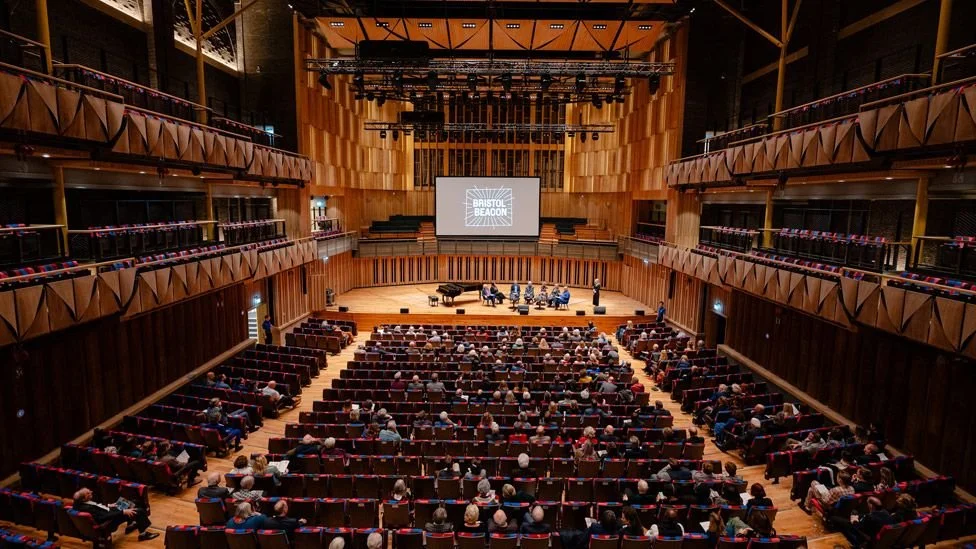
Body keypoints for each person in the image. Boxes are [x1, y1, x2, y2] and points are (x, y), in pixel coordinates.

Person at [72, 488, 158, 541]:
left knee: (134, 502)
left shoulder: (84, 503)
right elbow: (102, 517)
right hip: (111, 519)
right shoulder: (87, 508)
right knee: (138, 511)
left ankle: (131, 524)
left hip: (110, 510)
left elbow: (97, 507)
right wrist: (123, 512)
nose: (91, 491)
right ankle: (143, 535)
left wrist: (110, 505)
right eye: (88, 493)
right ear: (84, 499)